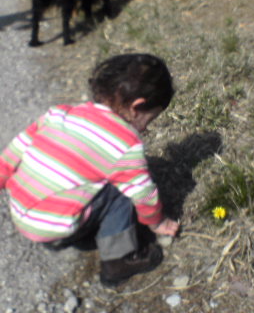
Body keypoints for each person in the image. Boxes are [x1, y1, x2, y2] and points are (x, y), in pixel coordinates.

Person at [0, 53, 180, 287]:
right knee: (121, 191)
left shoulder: (60, 113)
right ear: (136, 107)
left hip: (21, 212)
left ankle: (76, 234)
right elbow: (144, 195)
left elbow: (11, 155)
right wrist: (157, 223)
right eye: (150, 119)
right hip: (55, 227)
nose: (146, 129)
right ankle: (118, 259)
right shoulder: (125, 145)